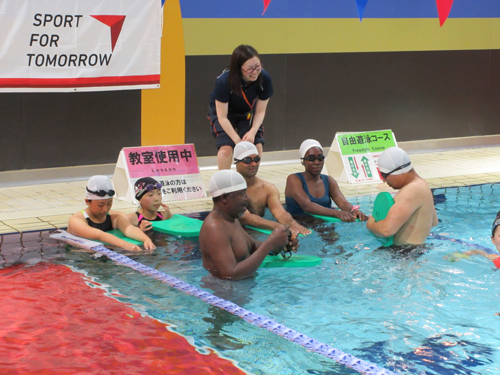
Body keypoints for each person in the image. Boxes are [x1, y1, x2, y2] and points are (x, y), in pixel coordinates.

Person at [200, 170, 297, 280]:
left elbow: (252, 247)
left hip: (240, 291)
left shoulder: (232, 220)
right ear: (224, 198)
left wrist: (279, 244)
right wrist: (269, 244)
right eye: (242, 194)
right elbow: (230, 274)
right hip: (223, 293)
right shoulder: (215, 227)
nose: (247, 198)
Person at [208, 44, 273, 170]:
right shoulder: (224, 81)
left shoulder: (264, 78)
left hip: (247, 112)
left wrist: (253, 131)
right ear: (239, 68)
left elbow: (260, 111)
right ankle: (224, 183)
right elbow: (222, 117)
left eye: (258, 67)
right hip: (225, 114)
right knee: (226, 148)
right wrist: (238, 141)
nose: (255, 72)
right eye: (250, 69)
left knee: (256, 145)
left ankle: (248, 181)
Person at [233, 141, 311, 236]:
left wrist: (292, 223)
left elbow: (280, 213)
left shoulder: (268, 189)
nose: (253, 164)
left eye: (257, 159)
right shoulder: (230, 188)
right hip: (234, 237)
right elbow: (246, 217)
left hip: (257, 236)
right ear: (236, 162)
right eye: (247, 160)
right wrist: (277, 227)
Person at [366, 147, 438, 245]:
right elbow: (434, 222)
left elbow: (386, 230)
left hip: (405, 254)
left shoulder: (411, 190)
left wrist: (371, 225)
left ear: (400, 172)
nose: (383, 180)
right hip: (418, 251)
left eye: (384, 175)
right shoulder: (422, 185)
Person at [285, 139, 368, 222]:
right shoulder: (294, 179)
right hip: (300, 226)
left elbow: (343, 203)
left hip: (325, 226)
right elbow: (307, 206)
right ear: (303, 161)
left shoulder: (329, 181)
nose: (317, 162)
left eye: (320, 158)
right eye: (311, 158)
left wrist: (353, 210)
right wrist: (337, 213)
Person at [68, 175, 155, 251]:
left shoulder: (116, 217)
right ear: (87, 201)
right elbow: (99, 235)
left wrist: (146, 240)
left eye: (109, 203)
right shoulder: (76, 220)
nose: (105, 209)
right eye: (100, 205)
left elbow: (129, 229)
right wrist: (125, 245)